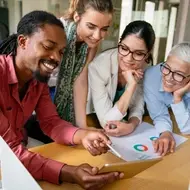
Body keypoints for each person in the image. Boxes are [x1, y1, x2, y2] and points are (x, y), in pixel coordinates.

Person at [0, 10, 123, 189]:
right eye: (48, 47)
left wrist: (84, 135)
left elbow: (51, 122)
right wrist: (70, 173)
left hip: (19, 146)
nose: (56, 58)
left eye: (61, 52)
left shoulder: (37, 81)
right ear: (23, 41)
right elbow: (9, 153)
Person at [87, 20, 155, 137]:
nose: (128, 59)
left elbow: (137, 109)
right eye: (124, 48)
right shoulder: (99, 66)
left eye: (138, 53)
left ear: (147, 55)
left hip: (120, 130)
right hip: (90, 124)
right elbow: (106, 122)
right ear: (119, 42)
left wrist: (131, 126)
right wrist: (131, 87)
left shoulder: (145, 69)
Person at [52, 0, 113, 128]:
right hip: (41, 95)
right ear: (76, 17)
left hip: (63, 101)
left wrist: (82, 127)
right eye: (91, 26)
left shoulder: (90, 45)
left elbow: (80, 81)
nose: (97, 36)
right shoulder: (57, 33)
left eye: (104, 29)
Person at [144, 42, 190, 156]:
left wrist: (178, 97)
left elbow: (187, 129)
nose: (169, 78)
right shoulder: (151, 76)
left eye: (179, 74)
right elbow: (159, 115)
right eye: (167, 68)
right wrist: (165, 132)